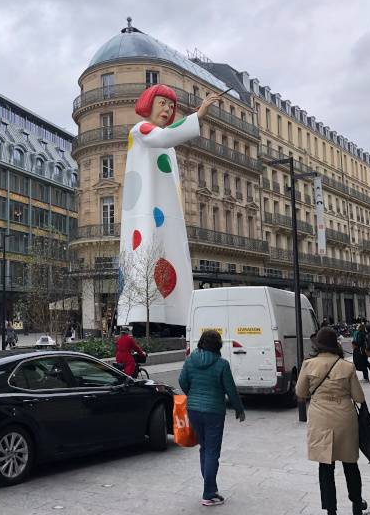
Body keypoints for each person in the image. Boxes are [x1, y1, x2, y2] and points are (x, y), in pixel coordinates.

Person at [117, 83, 219, 331]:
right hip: (146, 210)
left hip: (165, 213)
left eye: (171, 106)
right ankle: (147, 318)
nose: (168, 108)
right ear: (148, 104)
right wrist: (198, 116)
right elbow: (162, 135)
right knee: (147, 255)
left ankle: (173, 318)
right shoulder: (140, 129)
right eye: (162, 102)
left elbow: (167, 133)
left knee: (167, 254)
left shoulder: (165, 143)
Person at [296, 327, 368, 515]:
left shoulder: (308, 365)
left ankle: (331, 509)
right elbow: (359, 397)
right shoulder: (347, 366)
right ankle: (356, 504)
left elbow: (301, 393)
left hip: (320, 418)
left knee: (325, 467)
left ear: (318, 346)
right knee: (350, 463)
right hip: (345, 418)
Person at [178, 329, 245, 507]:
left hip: (193, 410)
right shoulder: (222, 364)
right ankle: (208, 494)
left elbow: (182, 380)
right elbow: (231, 389)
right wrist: (239, 410)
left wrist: (192, 396)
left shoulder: (190, 359)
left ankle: (210, 488)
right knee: (212, 452)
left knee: (205, 449)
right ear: (218, 345)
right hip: (214, 411)